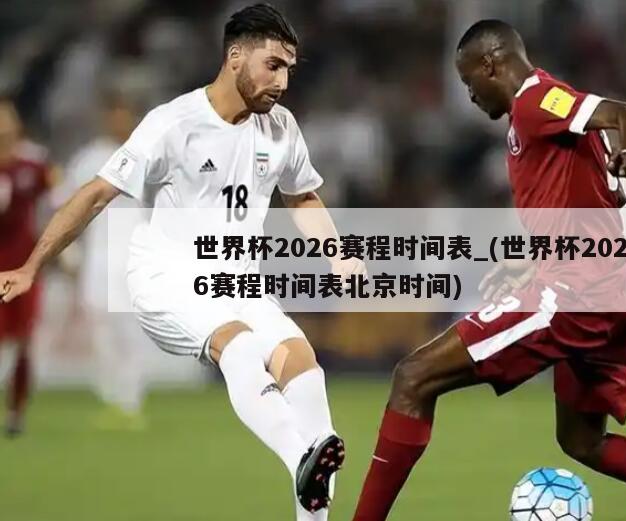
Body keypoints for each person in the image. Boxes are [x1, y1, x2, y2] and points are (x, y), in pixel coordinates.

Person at [351, 20, 626, 521]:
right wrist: (532, 261)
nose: (469, 94)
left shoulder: (536, 100)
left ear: (490, 64)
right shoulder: (543, 117)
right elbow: (586, 207)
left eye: (468, 80)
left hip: (577, 294)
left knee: (413, 377)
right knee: (582, 440)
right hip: (613, 290)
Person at [0, 4, 361, 519]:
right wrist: (32, 266)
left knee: (306, 373)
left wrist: (338, 254)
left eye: (288, 69)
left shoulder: (280, 127)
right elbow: (96, 194)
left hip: (237, 283)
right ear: (235, 57)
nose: (282, 81)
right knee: (240, 346)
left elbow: (301, 195)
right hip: (167, 281)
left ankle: (313, 495)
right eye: (273, 65)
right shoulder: (174, 123)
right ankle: (300, 456)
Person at [60, 93, 149, 429]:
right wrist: (68, 251)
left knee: (130, 331)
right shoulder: (89, 159)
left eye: (125, 115)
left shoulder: (149, 156)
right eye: (114, 115)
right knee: (101, 331)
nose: (119, 121)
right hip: (98, 257)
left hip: (136, 257)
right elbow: (68, 205)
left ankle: (130, 402)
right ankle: (111, 397)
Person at [0, 96, 54, 437]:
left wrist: (58, 252)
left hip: (23, 271)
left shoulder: (33, 166)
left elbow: (55, 205)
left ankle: (16, 412)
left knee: (22, 342)